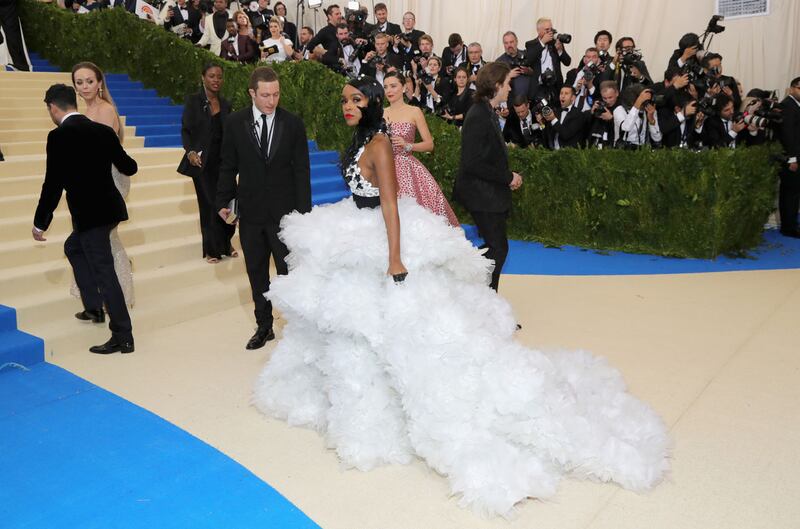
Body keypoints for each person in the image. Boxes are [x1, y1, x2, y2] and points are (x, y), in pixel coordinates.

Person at [253, 74, 670, 518]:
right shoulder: (360, 139)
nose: (347, 105)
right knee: (350, 324)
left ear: (373, 102)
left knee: (394, 326)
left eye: (356, 99)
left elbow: (391, 204)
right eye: (344, 100)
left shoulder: (379, 145)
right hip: (352, 228)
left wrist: (394, 258)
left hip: (381, 237)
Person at [33, 84, 138, 354]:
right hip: (110, 211)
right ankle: (93, 306)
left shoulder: (58, 137)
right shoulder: (102, 132)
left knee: (105, 272)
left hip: (89, 217)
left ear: (53, 107)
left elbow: (52, 184)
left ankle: (123, 336)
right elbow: (130, 166)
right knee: (73, 247)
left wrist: (40, 222)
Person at [216, 67, 311, 350]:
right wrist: (223, 201)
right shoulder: (235, 123)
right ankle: (264, 326)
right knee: (256, 272)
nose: (272, 100)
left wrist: (303, 217)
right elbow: (227, 165)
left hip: (285, 216)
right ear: (252, 94)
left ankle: (297, 329)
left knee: (289, 273)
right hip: (251, 213)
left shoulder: (293, 124)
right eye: (266, 95)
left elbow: (301, 172)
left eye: (276, 94)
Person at [453, 62, 522, 292]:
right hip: (481, 194)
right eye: (508, 83)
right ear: (496, 85)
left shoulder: (486, 111)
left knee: (496, 248)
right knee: (498, 249)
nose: (510, 89)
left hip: (487, 193)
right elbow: (472, 163)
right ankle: (477, 293)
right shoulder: (478, 115)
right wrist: (507, 177)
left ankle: (478, 293)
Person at [71, 62, 134, 307]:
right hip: (92, 180)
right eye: (79, 82)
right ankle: (102, 297)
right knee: (96, 240)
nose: (85, 86)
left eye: (89, 81)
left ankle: (117, 297)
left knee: (106, 239)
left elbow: (102, 152)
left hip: (108, 178)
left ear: (99, 83)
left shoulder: (105, 110)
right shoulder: (84, 112)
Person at [382, 71, 459, 227]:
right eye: (385, 87)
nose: (389, 90)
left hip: (408, 169)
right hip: (385, 170)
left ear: (404, 88)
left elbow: (429, 144)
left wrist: (407, 145)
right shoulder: (380, 114)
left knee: (413, 215)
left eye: (393, 86)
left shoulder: (414, 111)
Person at [178, 63, 236, 263]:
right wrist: (190, 151)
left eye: (219, 76)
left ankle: (226, 241)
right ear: (203, 77)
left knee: (230, 201)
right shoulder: (194, 101)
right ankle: (212, 248)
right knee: (210, 204)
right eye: (212, 76)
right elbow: (186, 130)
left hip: (225, 162)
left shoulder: (227, 104)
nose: (216, 80)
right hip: (202, 163)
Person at [525, 17, 571, 103]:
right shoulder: (531, 44)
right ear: (539, 31)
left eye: (551, 29)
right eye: (547, 30)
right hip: (539, 87)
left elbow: (567, 62)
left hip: (555, 86)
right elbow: (528, 60)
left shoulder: (555, 42)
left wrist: (560, 50)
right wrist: (542, 42)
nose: (550, 32)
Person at [778, 77, 800, 238]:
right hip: (791, 158)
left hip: (795, 156)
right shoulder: (787, 106)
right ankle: (788, 227)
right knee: (790, 193)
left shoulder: (795, 106)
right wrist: (792, 158)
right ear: (792, 88)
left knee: (794, 192)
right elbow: (787, 134)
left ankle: (791, 224)